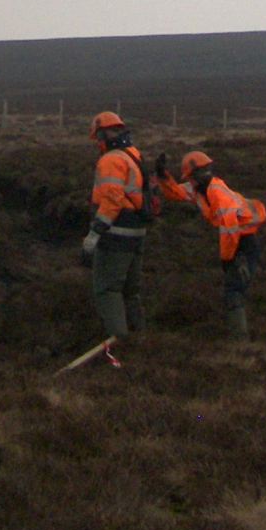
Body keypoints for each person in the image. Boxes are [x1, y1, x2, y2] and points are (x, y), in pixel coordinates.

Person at [80, 110, 164, 362]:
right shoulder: (133, 154)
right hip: (137, 233)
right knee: (130, 290)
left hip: (116, 235)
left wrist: (95, 232)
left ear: (104, 134)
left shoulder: (110, 160)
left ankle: (120, 343)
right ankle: (140, 340)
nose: (98, 143)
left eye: (98, 138)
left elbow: (112, 199)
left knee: (107, 289)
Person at [159, 149, 266, 340]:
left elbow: (229, 231)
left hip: (242, 245)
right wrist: (162, 176)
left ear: (195, 176)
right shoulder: (200, 190)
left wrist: (228, 258)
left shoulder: (217, 193)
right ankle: (239, 335)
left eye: (189, 178)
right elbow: (175, 192)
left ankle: (241, 343)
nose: (189, 182)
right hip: (237, 243)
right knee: (234, 289)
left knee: (233, 290)